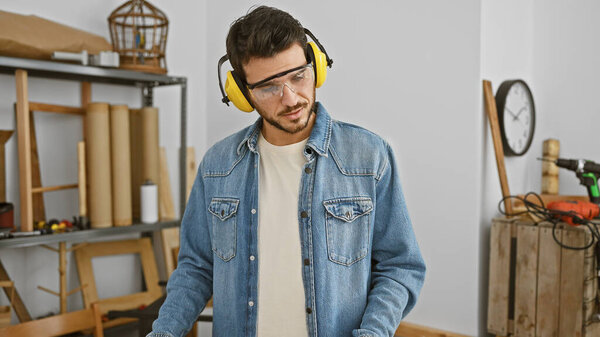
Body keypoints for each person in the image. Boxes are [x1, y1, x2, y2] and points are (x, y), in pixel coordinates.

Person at [149, 6, 425, 337]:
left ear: (317, 66)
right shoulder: (218, 166)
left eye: (298, 76)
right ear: (242, 93)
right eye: (268, 87)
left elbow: (399, 267)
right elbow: (196, 268)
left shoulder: (369, 156)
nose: (291, 98)